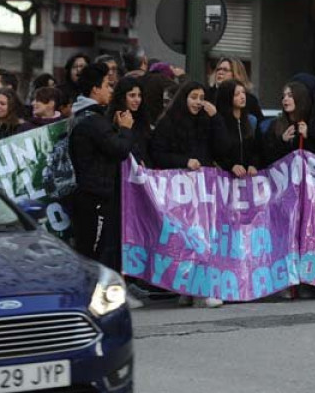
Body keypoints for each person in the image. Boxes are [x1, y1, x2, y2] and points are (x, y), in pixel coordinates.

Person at [149, 81, 225, 309]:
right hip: (179, 191)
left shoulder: (206, 120)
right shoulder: (169, 123)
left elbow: (222, 148)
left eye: (202, 97)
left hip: (202, 192)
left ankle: (200, 289)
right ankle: (186, 288)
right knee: (184, 240)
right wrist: (183, 162)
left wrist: (217, 118)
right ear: (184, 98)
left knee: (203, 238)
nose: (198, 101)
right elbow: (158, 153)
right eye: (194, 96)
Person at [68, 63, 135, 281]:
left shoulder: (85, 116)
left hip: (88, 193)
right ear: (95, 89)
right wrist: (125, 129)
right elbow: (119, 149)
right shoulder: (93, 121)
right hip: (94, 195)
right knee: (91, 253)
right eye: (107, 85)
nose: (111, 91)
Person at [215, 79, 262, 176]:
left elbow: (257, 148)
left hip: (247, 178)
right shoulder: (220, 122)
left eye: (243, 93)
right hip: (225, 178)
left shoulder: (251, 120)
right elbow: (216, 152)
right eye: (237, 94)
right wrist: (231, 166)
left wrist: (253, 164)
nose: (242, 97)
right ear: (227, 97)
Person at [263, 81, 312, 164]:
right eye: (283, 96)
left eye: (290, 96)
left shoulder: (309, 123)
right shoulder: (276, 124)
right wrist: (282, 141)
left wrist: (307, 136)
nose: (285, 99)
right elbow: (266, 156)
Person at [206, 57, 264, 127]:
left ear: (236, 73)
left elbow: (260, 125)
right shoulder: (207, 94)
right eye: (218, 69)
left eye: (225, 70)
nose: (220, 72)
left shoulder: (248, 99)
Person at [107, 77, 152, 167]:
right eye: (132, 95)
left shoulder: (142, 118)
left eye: (139, 95)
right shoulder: (114, 119)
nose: (137, 100)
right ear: (122, 97)